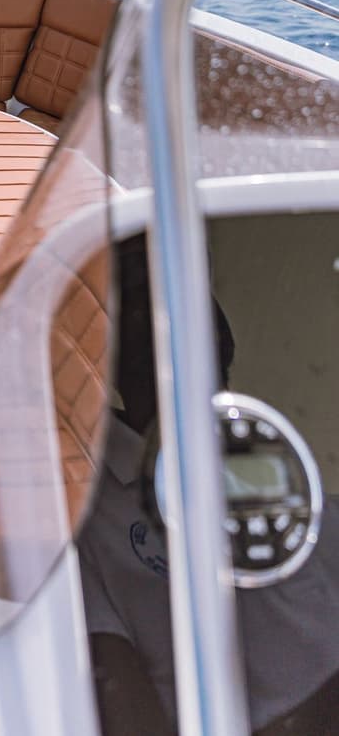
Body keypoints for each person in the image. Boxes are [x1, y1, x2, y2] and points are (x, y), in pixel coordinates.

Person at [78, 236, 339, 736]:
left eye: (192, 286)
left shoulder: (270, 446)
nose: (185, 311)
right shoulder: (86, 503)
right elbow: (121, 698)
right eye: (140, 294)